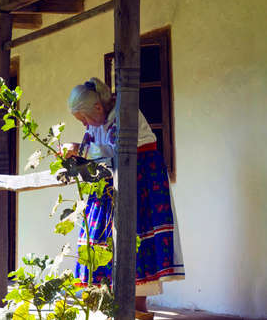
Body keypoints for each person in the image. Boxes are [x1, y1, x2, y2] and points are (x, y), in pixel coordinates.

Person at [66, 77, 185, 319]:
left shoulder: (125, 112)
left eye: (85, 118)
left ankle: (138, 311)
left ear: (98, 108)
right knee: (98, 240)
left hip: (139, 184)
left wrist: (81, 150)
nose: (85, 124)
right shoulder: (96, 122)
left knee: (136, 242)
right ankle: (115, 309)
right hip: (110, 186)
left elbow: (121, 152)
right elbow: (95, 154)